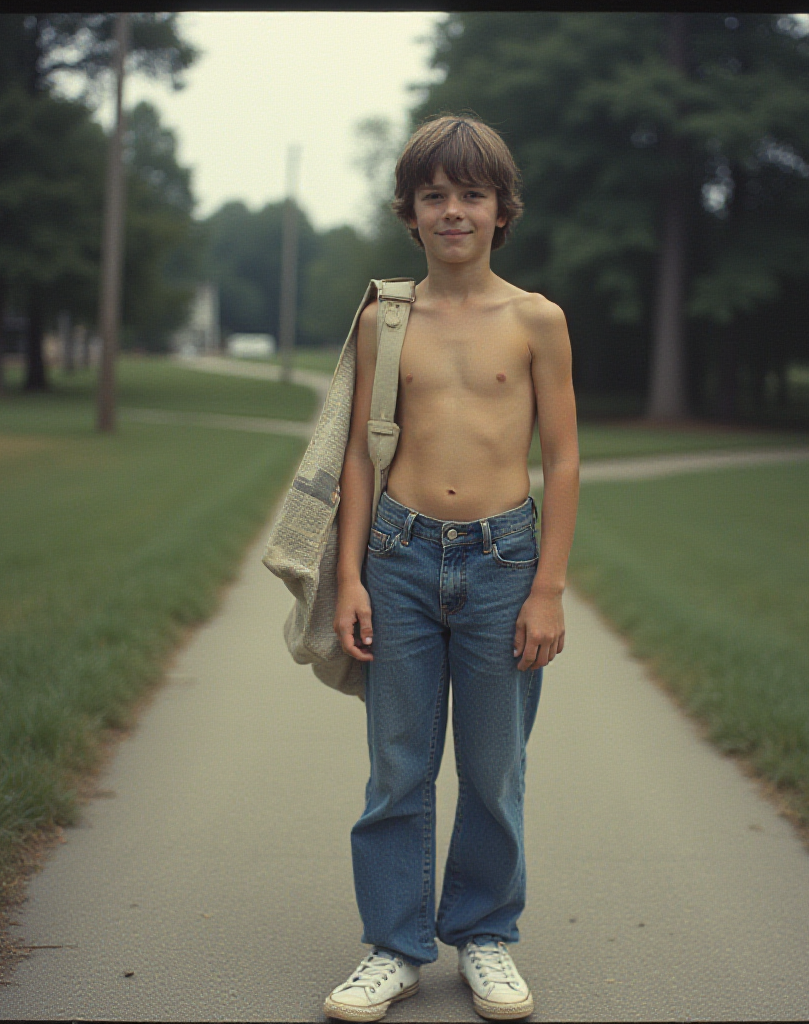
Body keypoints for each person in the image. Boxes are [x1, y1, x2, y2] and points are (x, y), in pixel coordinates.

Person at [325, 114, 579, 1023]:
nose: (453, 211)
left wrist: (547, 587)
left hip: (504, 563)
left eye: (472, 194)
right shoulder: (385, 321)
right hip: (396, 558)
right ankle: (394, 947)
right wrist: (350, 577)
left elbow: (564, 461)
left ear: (502, 209)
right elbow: (360, 458)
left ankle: (483, 933)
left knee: (493, 766)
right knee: (397, 766)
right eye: (434, 195)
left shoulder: (536, 320)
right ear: (410, 212)